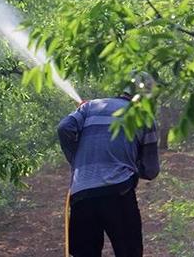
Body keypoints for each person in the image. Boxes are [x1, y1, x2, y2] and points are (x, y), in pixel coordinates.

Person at [57, 71, 160, 257]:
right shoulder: (144, 117)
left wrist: (77, 159)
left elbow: (64, 128)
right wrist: (128, 161)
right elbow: (151, 170)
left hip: (82, 194)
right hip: (118, 193)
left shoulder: (89, 107)